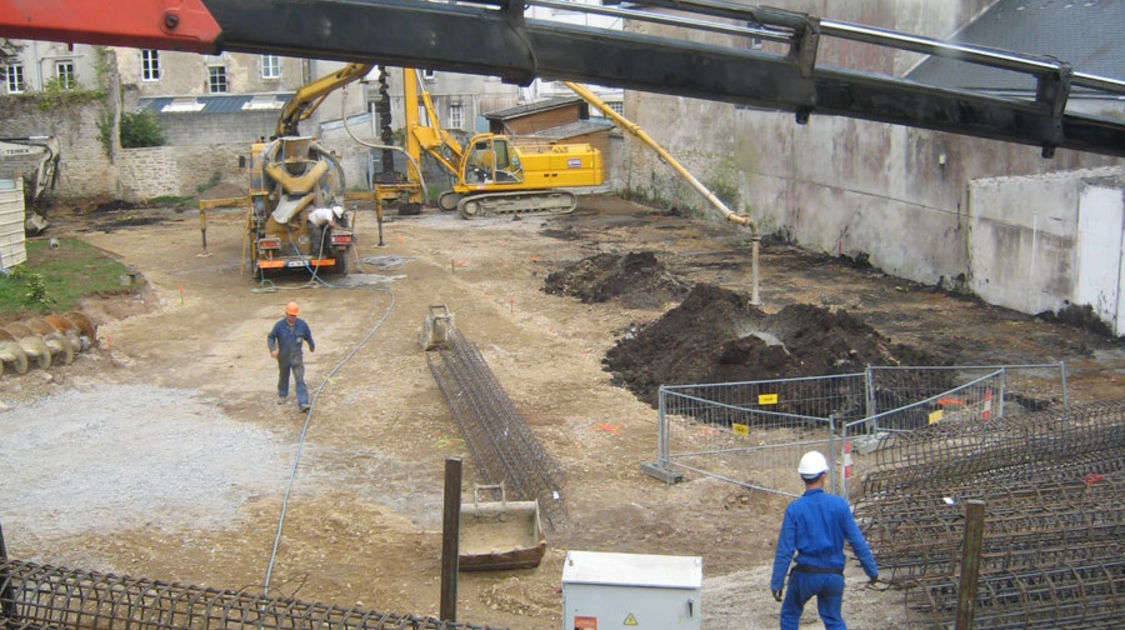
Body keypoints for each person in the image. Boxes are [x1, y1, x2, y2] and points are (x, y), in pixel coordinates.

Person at [770, 450, 878, 630]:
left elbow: (785, 550)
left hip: (805, 575)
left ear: (802, 476)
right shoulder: (840, 505)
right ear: (823, 475)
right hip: (833, 575)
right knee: (833, 620)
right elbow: (857, 542)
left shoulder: (794, 510)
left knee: (790, 615)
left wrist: (777, 582)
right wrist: (872, 571)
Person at [267, 301, 315, 413]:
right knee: (284, 376)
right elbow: (271, 337)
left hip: (297, 356)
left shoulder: (302, 325)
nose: (292, 317)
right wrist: (272, 349)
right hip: (283, 357)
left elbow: (308, 336)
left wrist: (311, 345)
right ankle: (282, 394)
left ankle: (303, 402)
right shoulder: (279, 326)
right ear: (286, 314)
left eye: (294, 315)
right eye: (290, 315)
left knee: (299, 378)